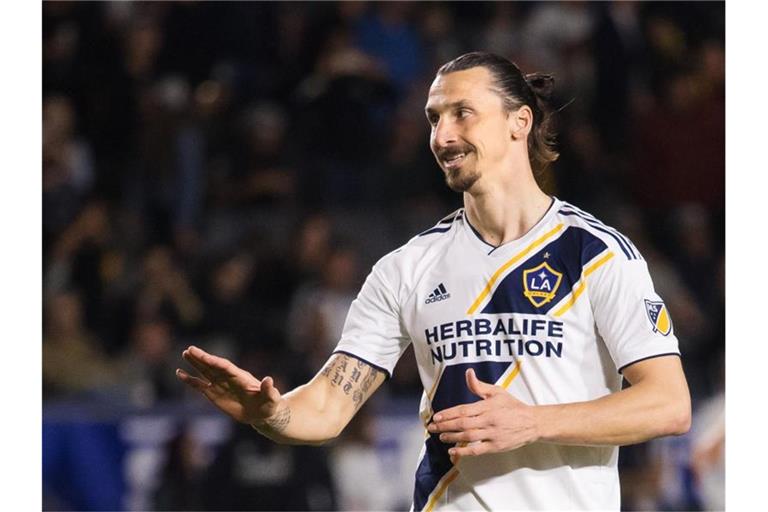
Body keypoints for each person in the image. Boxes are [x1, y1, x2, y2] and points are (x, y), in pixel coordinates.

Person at [177, 51, 691, 510]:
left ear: (519, 121)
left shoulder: (596, 254)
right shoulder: (407, 267)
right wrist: (270, 413)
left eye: (462, 113)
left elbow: (669, 404)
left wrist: (533, 422)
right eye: (434, 118)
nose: (442, 136)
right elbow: (329, 407)